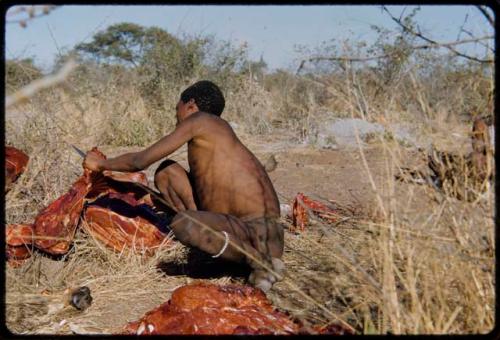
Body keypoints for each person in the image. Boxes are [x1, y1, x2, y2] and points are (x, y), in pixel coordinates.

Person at [83, 80, 284, 292]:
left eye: (176, 109)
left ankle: (259, 262)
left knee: (183, 224)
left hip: (260, 234)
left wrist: (100, 164)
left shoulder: (200, 120)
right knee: (167, 172)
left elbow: (139, 161)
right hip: (249, 230)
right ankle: (220, 247)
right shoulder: (214, 133)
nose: (176, 115)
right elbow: (208, 192)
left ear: (191, 106)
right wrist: (144, 194)